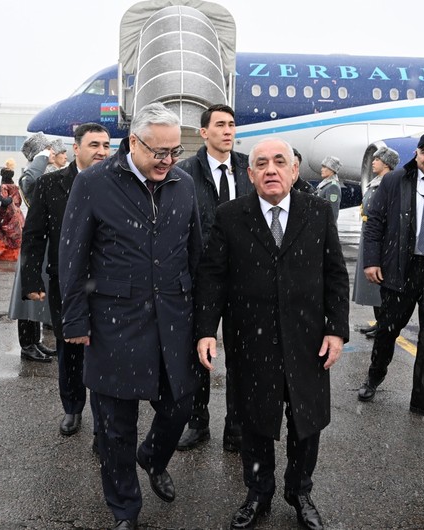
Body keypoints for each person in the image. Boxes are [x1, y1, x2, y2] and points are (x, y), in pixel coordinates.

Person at [59, 103, 201, 530]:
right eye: (159, 152)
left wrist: (203, 322)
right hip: (114, 322)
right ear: (134, 142)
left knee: (180, 405)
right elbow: (72, 256)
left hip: (173, 320)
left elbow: (195, 253)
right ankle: (125, 509)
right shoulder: (93, 183)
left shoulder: (183, 184)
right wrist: (75, 321)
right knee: (114, 428)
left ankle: (153, 456)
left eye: (175, 151)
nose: (168, 160)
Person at [195, 137, 349, 530]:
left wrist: (336, 330)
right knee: (254, 422)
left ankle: (300, 492)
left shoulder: (317, 212)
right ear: (250, 174)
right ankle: (258, 493)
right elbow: (213, 277)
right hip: (251, 339)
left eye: (280, 162)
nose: (270, 170)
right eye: (261, 163)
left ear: (294, 170)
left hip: (307, 339)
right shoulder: (231, 215)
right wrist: (206, 330)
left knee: (306, 422)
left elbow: (335, 274)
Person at [357, 132, 424, 402]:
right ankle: (374, 376)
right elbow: (375, 222)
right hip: (401, 269)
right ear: (416, 154)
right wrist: (372, 260)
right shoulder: (394, 181)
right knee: (387, 330)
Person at [21, 123, 111, 437]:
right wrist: (31, 279)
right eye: (94, 145)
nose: (102, 151)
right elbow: (33, 236)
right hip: (67, 281)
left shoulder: (117, 183)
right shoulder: (51, 185)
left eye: (106, 145)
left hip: (108, 283)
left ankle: (104, 415)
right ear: (76, 148)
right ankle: (72, 408)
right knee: (69, 348)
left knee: (105, 349)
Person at [175, 103, 252, 452]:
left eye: (231, 124)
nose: (228, 131)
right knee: (198, 353)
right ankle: (198, 421)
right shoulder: (186, 173)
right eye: (220, 125)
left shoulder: (249, 168)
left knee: (242, 355)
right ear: (204, 132)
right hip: (201, 277)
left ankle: (236, 426)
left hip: (243, 278)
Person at [11, 135, 57, 363]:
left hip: (44, 244)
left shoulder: (45, 175)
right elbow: (30, 180)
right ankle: (27, 345)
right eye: (47, 149)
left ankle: (35, 341)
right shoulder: (30, 176)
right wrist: (42, 156)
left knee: (38, 297)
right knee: (28, 299)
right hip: (34, 245)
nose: (52, 152)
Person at [354, 147, 399, 339]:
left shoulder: (388, 184)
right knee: (372, 287)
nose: (373, 162)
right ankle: (379, 323)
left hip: (379, 238)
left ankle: (383, 324)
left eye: (377, 159)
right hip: (370, 233)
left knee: (379, 285)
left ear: (386, 163)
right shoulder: (377, 183)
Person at [0, 164, 24, 262]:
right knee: (15, 233)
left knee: (1, 231)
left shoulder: (4, 186)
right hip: (16, 212)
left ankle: (2, 253)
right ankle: (13, 254)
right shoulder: (15, 187)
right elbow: (19, 200)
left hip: (5, 212)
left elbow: (3, 200)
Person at [315, 155, 342, 221]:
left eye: (324, 167)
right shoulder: (325, 184)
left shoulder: (333, 187)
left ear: (332, 170)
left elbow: (332, 213)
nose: (321, 169)